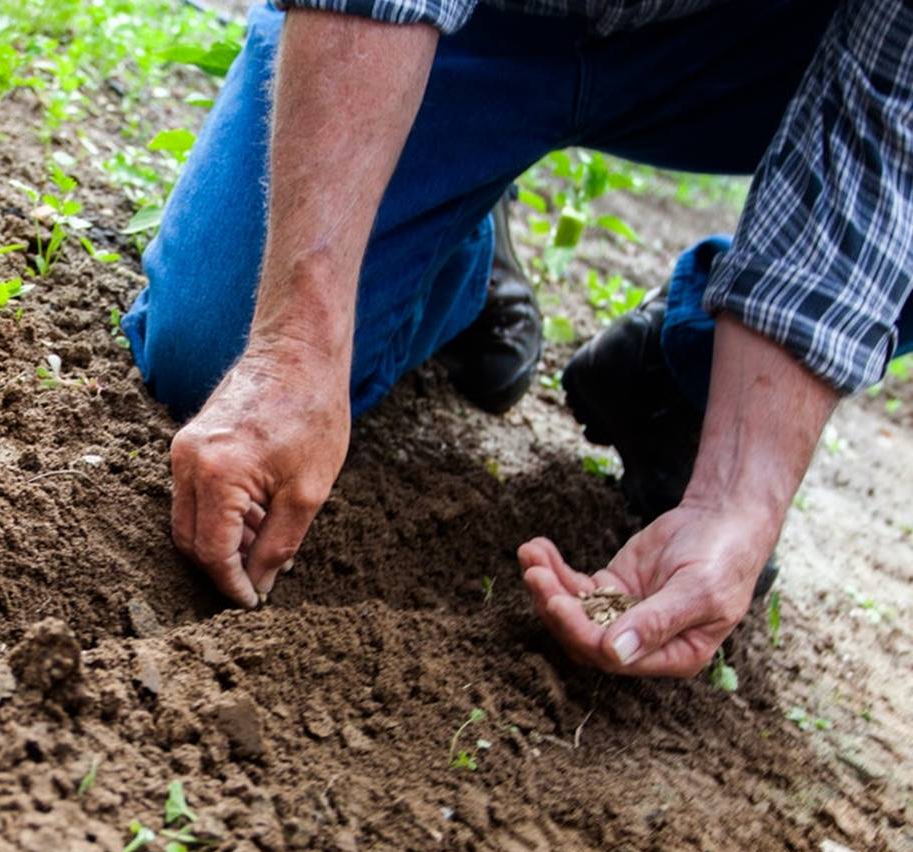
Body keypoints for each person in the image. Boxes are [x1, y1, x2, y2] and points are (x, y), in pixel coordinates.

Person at [122, 0, 913, 678]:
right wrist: (294, 346)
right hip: (482, 23)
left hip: (756, 49)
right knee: (213, 348)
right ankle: (457, 234)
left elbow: (884, 136)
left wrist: (738, 498)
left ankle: (690, 375)